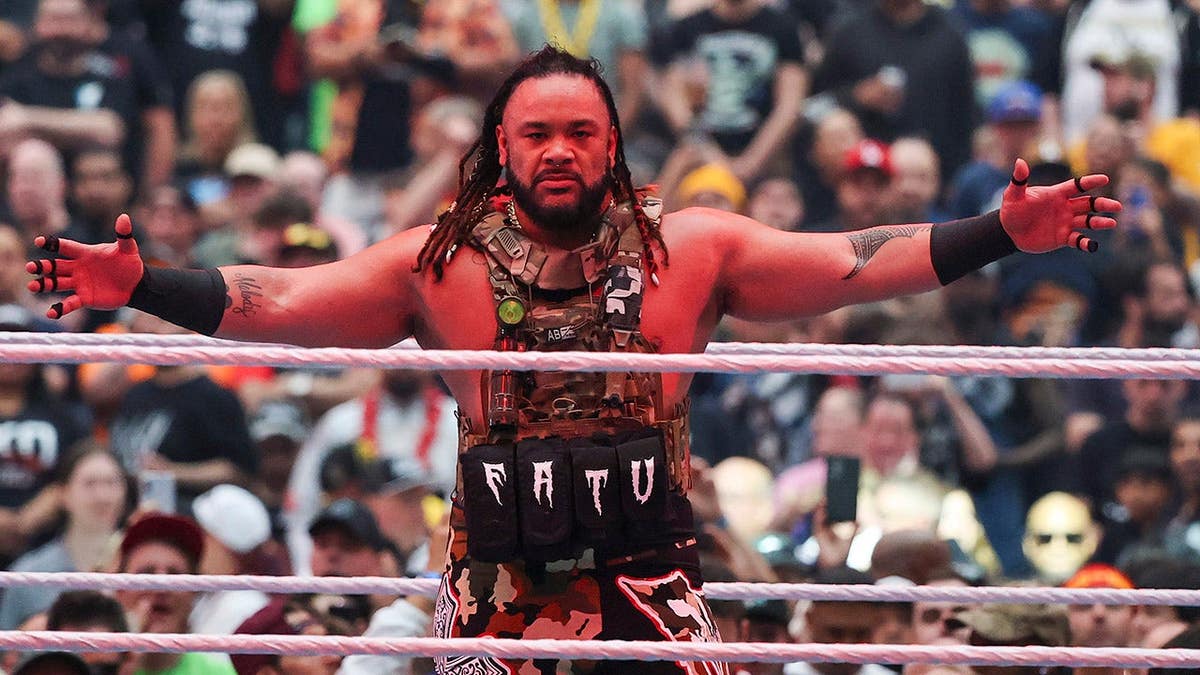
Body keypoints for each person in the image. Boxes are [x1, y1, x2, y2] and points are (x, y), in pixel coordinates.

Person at [26, 46, 1121, 675]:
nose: (559, 150)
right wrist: (143, 287)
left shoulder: (690, 249)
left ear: (614, 144)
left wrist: (999, 232)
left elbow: (856, 260)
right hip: (498, 587)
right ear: (500, 150)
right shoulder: (437, 262)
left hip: (650, 580)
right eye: (536, 132)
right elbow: (281, 301)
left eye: (581, 132)